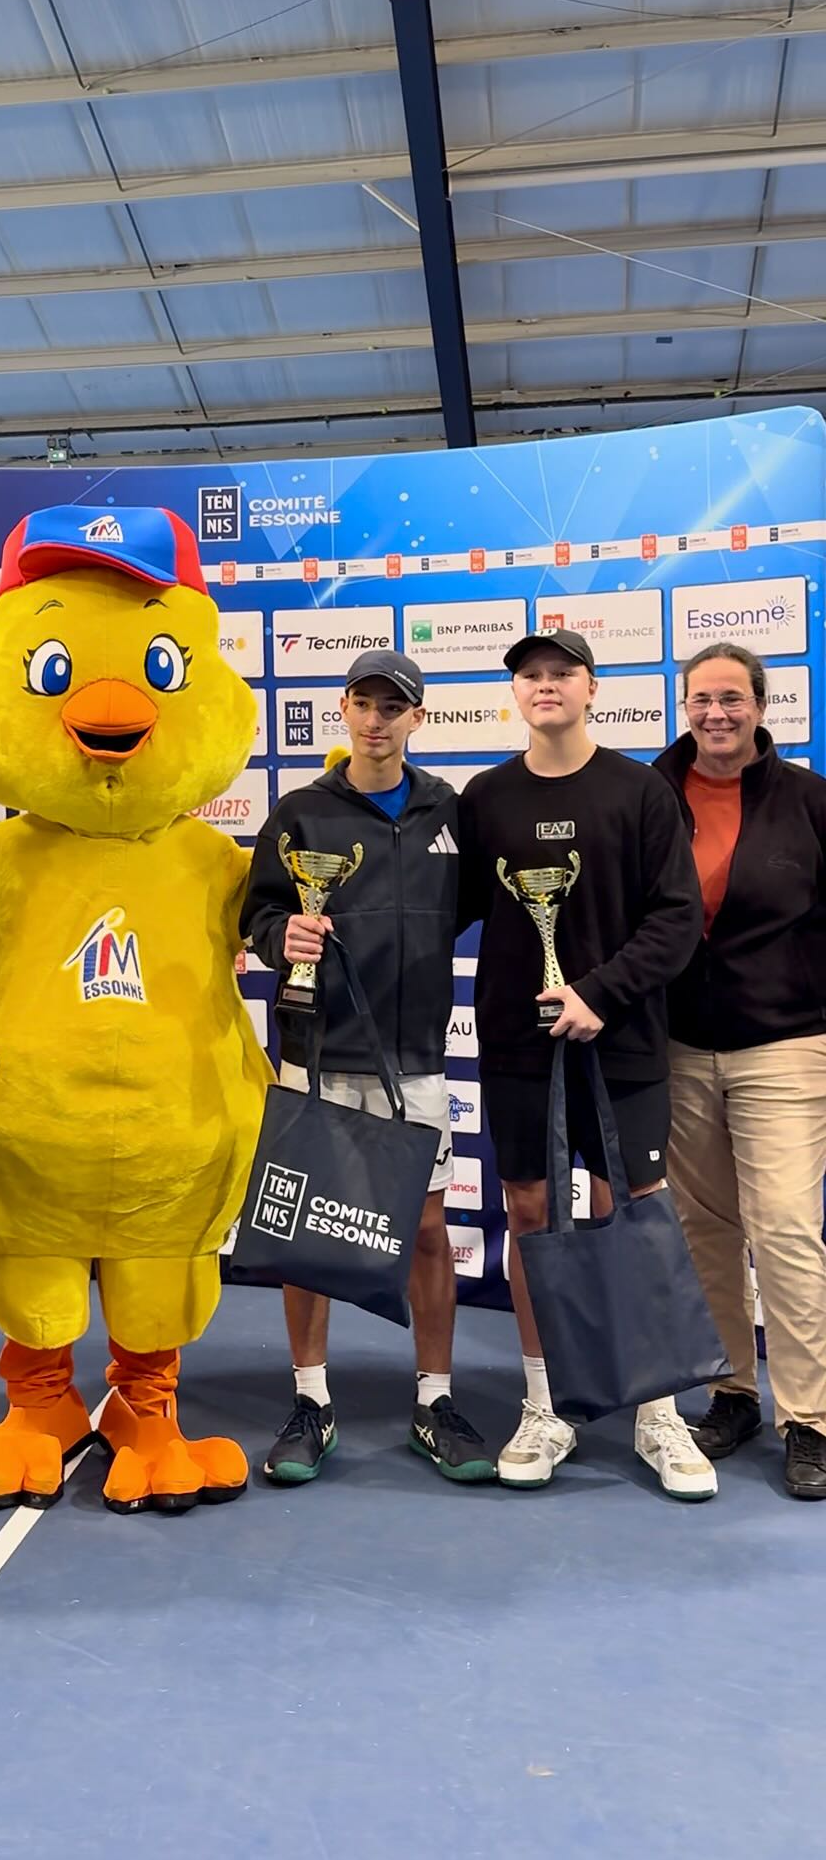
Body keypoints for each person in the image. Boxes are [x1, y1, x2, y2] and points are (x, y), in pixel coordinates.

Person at [458, 627, 713, 1500]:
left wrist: (598, 993)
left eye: (561, 672)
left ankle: (657, 1414)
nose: (545, 685)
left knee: (627, 1212)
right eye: (530, 675)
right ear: (517, 694)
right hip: (519, 1049)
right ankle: (546, 1403)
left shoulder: (640, 792)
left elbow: (677, 919)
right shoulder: (485, 796)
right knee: (528, 1211)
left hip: (622, 1042)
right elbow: (443, 910)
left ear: (593, 687)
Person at [242, 649, 494, 1486]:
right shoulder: (301, 812)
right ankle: (311, 1401)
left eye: (395, 706)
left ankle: (435, 1400)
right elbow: (259, 916)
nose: (378, 719)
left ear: (418, 719)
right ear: (343, 711)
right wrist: (285, 939)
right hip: (316, 1055)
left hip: (416, 1060)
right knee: (308, 1236)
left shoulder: (447, 812)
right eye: (364, 703)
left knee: (427, 1233)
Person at [655, 644, 826, 1501]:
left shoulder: (808, 801)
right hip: (680, 1046)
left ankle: (813, 1418)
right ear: (682, 705)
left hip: (785, 1043)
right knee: (706, 1231)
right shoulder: (653, 793)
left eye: (732, 698)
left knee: (788, 1226)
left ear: (761, 706)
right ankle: (733, 1393)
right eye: (701, 698)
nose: (716, 713)